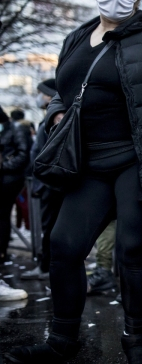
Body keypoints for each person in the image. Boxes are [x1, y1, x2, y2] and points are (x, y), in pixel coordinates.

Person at [5, 1, 142, 364]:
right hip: (87, 164)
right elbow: (63, 90)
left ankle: (137, 340)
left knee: (131, 250)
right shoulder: (75, 38)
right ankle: (62, 340)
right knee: (64, 246)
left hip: (138, 160)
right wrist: (55, 111)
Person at [23, 79, 62, 280]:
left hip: (51, 183)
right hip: (46, 182)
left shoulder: (54, 118)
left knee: (50, 228)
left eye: (42, 93)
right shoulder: (48, 118)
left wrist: (42, 180)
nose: (39, 97)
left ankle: (47, 265)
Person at [1, 106, 31, 266]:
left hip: (9, 181)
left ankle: (2, 253)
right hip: (7, 178)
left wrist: (4, 165)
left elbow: (23, 154)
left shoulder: (15, 129)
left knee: (4, 216)